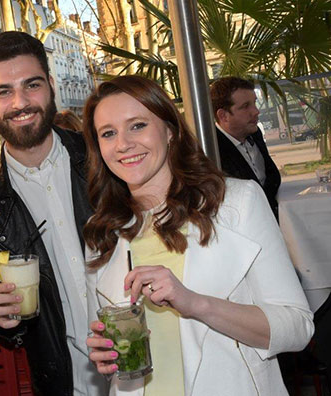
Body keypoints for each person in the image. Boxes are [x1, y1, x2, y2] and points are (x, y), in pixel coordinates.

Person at [82, 76, 313, 395]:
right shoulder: (102, 232)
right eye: (108, 133)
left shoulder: (236, 203)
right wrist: (105, 354)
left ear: (170, 131)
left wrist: (195, 303)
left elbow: (297, 326)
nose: (123, 143)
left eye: (137, 125)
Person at [0, 32, 107, 395]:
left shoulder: (106, 161)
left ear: (50, 84)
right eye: (3, 91)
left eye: (31, 85)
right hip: (69, 384)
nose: (20, 102)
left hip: (154, 363)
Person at [210, 77, 281, 219]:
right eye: (245, 106)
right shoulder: (212, 150)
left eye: (254, 103)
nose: (256, 111)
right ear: (223, 116)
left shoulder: (254, 133)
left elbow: (270, 178)